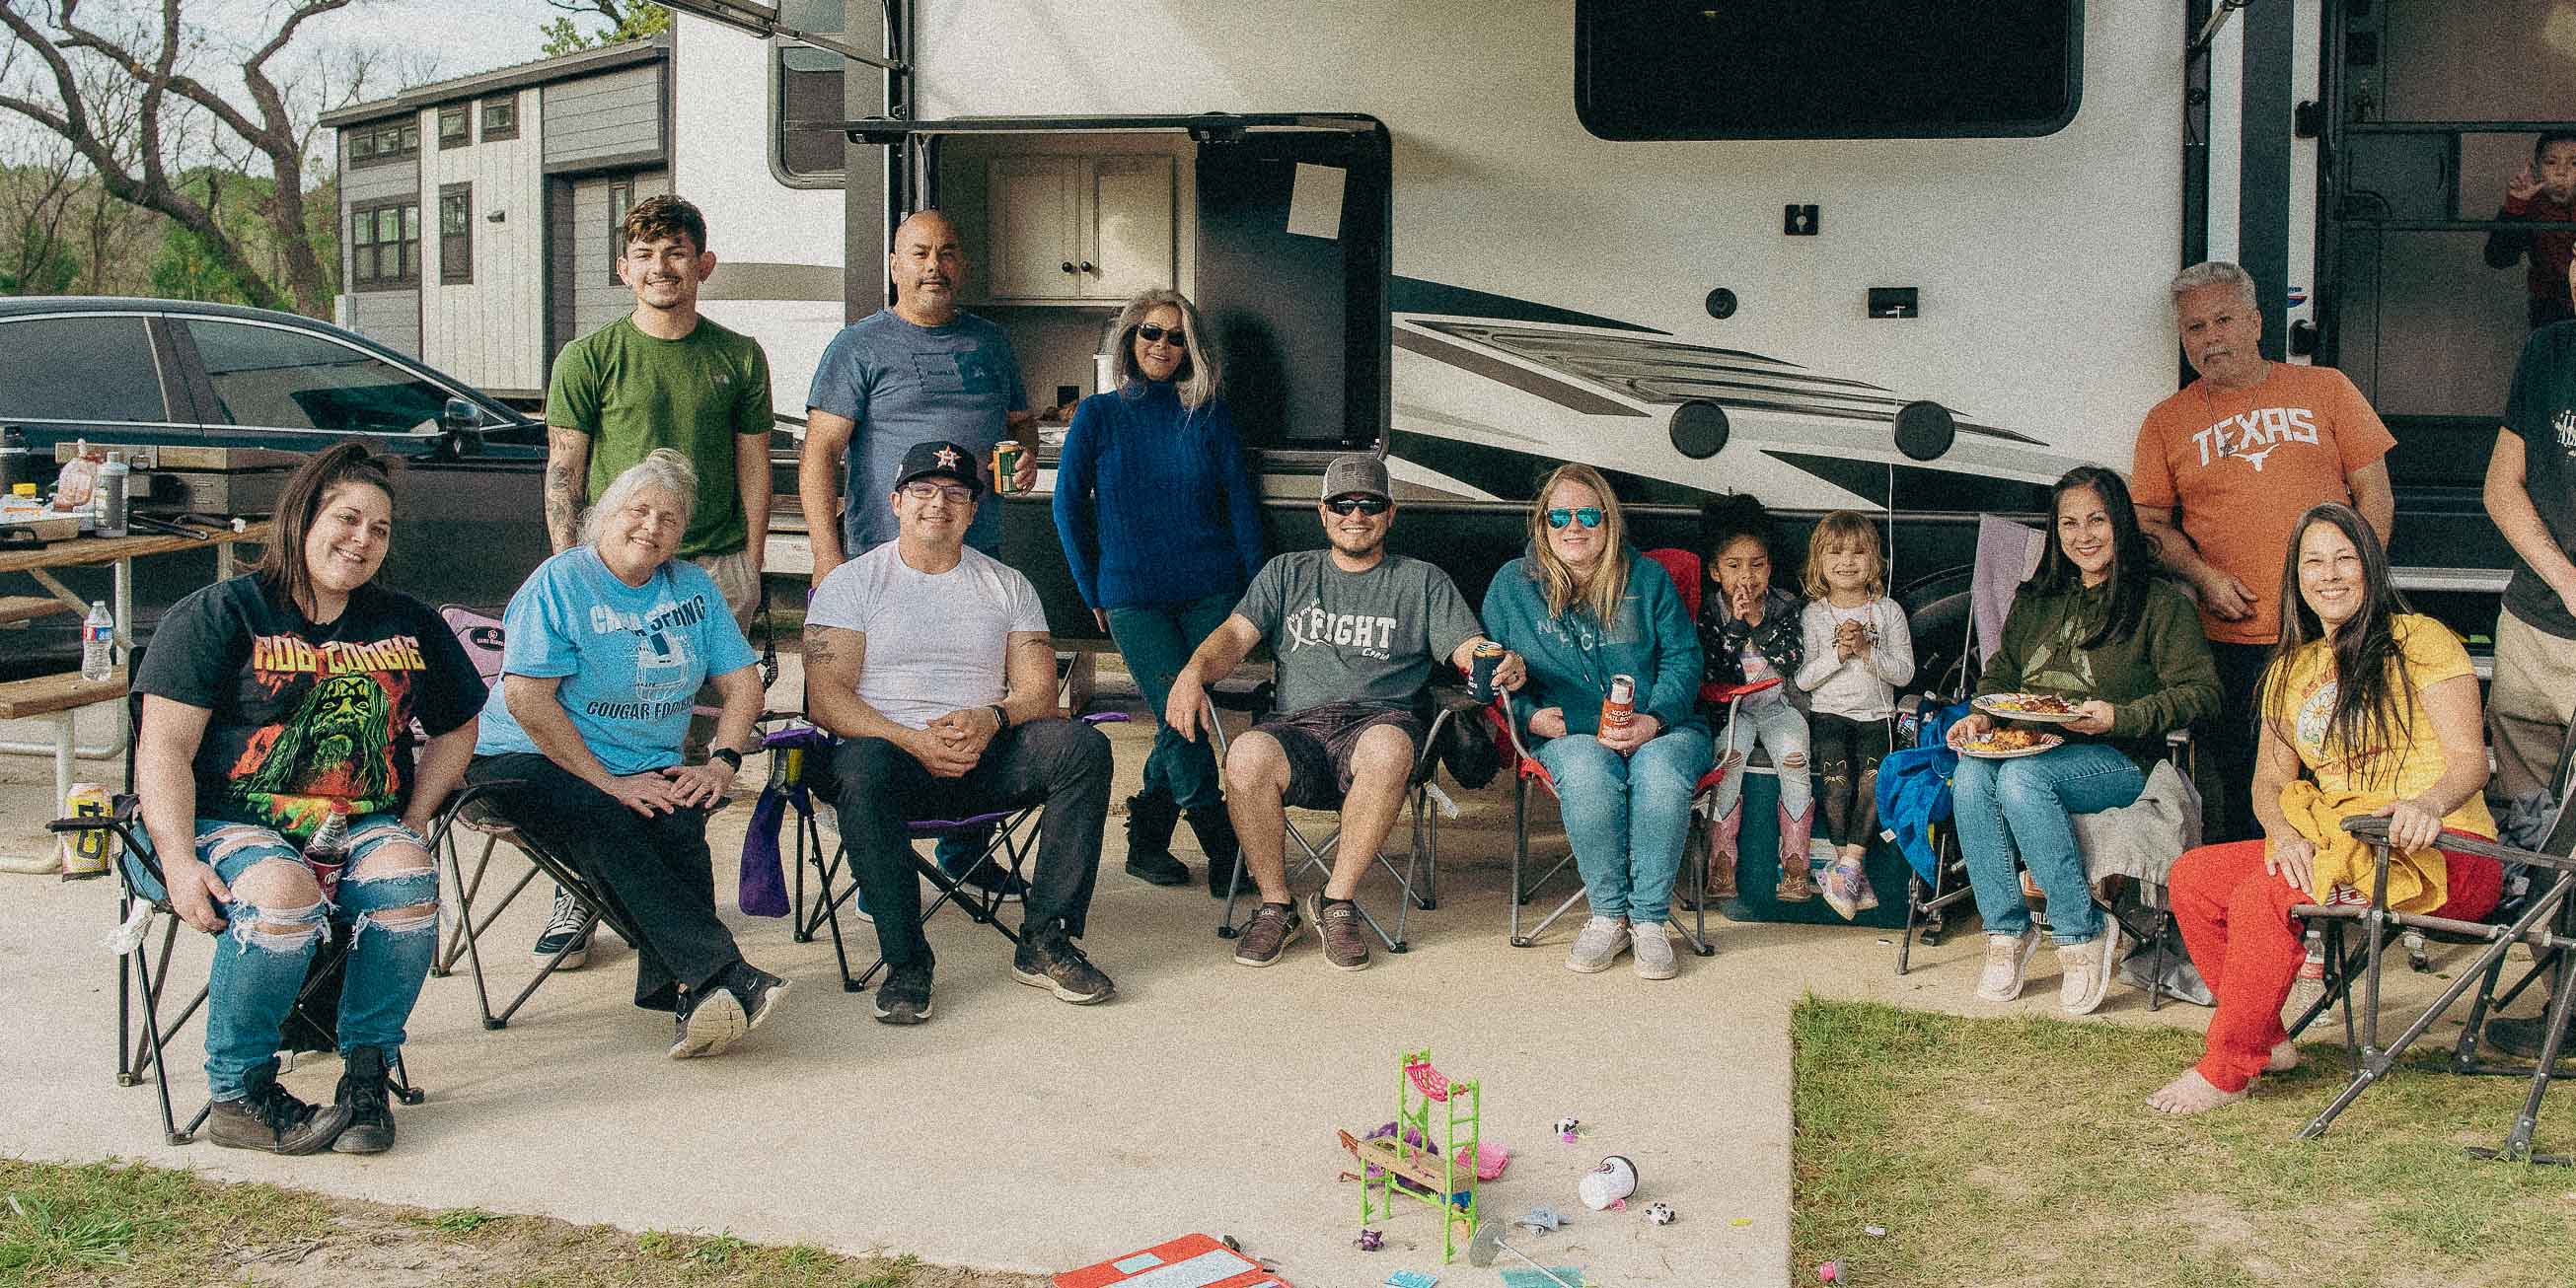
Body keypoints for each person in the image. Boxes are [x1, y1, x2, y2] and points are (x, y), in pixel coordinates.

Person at [132, 442, 484, 1155]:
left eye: (379, 530)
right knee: (284, 892)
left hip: (356, 821)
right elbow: (162, 748)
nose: (362, 541)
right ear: (301, 519)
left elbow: (459, 727)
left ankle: (363, 1079)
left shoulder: (405, 623)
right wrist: (175, 862)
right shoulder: (221, 613)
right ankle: (240, 1093)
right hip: (220, 822)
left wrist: (412, 819)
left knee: (407, 878)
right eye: (347, 519)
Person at [2149, 505, 2502, 1114]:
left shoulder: (2421, 640)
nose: (2329, 575)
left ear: (2370, 566)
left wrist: (2428, 804)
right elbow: (2268, 782)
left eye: (2345, 558)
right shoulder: (2292, 669)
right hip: (2344, 841)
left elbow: (2472, 759)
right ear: (2297, 577)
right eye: (2314, 561)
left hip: (2440, 851)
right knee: (2196, 877)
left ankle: (2227, 1066)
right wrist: (2283, 832)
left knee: (2268, 894)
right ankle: (2271, 1039)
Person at [466, 450, 785, 1060]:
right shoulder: (561, 582)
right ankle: (721, 973)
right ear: (600, 517)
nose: (652, 527)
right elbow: (529, 702)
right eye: (638, 511)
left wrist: (721, 762)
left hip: (637, 764)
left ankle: (684, 991)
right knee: (603, 813)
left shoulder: (691, 587)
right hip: (520, 756)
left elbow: (744, 684)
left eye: (669, 518)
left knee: (682, 813)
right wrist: (606, 783)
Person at [535, 193, 775, 969]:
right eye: (643, 254)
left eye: (675, 252)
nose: (659, 267)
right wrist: (570, 567)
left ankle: (670, 895)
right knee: (599, 730)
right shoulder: (588, 356)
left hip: (710, 567)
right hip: (614, 567)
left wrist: (753, 561)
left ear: (701, 263)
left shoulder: (738, 355)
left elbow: (751, 465)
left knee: (695, 744)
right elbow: (565, 470)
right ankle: (578, 891)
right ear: (622, 269)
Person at [1164, 454, 1520, 971]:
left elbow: (1467, 647)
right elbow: (1235, 637)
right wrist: (1194, 671)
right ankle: (1276, 905)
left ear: (1390, 514)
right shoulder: (1286, 572)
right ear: (1323, 512)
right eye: (1342, 504)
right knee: (1245, 754)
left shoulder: (1422, 581)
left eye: (1370, 504)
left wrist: (1500, 661)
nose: (1356, 515)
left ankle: (1336, 902)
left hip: (1382, 722)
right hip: (1298, 728)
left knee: (1389, 747)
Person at [804, 440, 1117, 1026]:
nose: (937, 504)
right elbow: (826, 699)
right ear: (895, 501)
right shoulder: (851, 584)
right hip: (892, 762)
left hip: (988, 755)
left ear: (974, 510)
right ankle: (906, 963)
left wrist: (991, 718)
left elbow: (1038, 692)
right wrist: (911, 739)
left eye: (955, 493)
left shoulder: (1007, 584)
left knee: (1082, 748)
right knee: (859, 767)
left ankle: (1046, 941)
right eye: (922, 490)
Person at [801, 209, 1038, 890]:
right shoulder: (859, 346)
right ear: (895, 265)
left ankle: (966, 850)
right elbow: (819, 452)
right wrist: (826, 557)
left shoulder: (991, 343)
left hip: (977, 556)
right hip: (882, 559)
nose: (933, 266)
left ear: (960, 264)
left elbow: (1018, 427)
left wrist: (1021, 460)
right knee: (884, 708)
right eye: (919, 253)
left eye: (946, 252)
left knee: (971, 694)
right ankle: (886, 864)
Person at [2133, 260, 2397, 844]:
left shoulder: (2324, 388)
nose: (2210, 338)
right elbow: (2149, 525)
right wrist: (2201, 575)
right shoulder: (2166, 421)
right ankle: (2262, 905)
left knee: (2353, 774)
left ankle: (2340, 901)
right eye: (2195, 328)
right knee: (2251, 787)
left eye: (2223, 320)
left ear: (2255, 322)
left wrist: (2360, 589)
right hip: (2236, 641)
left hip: (2335, 632)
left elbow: (2374, 493)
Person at [1947, 467, 2219, 1014]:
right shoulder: (2039, 599)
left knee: (2022, 779)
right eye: (2069, 523)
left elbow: (2203, 693)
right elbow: (2001, 677)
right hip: (2036, 747)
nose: (2084, 535)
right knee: (1973, 774)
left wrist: (2120, 715)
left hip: (2120, 758)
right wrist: (1980, 714)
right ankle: (2006, 931)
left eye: (2097, 519)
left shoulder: (2160, 605)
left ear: (2119, 523)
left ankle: (2081, 932)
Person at [1052, 289, 1263, 894]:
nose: (1161, 346)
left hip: (1212, 591)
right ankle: (1219, 837)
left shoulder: (1211, 414)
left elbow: (1241, 507)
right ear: (1128, 339)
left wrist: (1256, 594)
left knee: (1181, 712)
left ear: (1191, 348)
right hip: (1132, 594)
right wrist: (1091, 585)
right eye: (1149, 333)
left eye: (1175, 336)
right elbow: (1068, 509)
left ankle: (1146, 839)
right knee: (1186, 709)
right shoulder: (1097, 414)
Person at [1480, 465, 1709, 978]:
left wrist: (1654, 720)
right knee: (1585, 771)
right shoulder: (1512, 588)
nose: (1573, 527)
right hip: (1569, 730)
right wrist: (1528, 716)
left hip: (1662, 724)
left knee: (1660, 771)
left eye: (1588, 514)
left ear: (1610, 522)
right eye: (1558, 516)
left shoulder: (1647, 579)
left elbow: (1683, 659)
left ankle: (1649, 922)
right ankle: (1607, 916)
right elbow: (1490, 674)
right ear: (1541, 524)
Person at [2478, 261, 2576, 1061]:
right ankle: (2558, 1004)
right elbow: (2501, 488)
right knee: (2533, 824)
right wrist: (2566, 579)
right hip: (2532, 624)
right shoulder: (2548, 352)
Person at [1795, 511, 1914, 920]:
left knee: (1874, 782)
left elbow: (1905, 672)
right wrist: (1839, 654)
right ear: (1819, 563)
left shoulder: (1888, 612)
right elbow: (1805, 678)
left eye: (1858, 552)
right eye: (1835, 553)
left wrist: (1866, 650)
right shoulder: (1814, 614)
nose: (1847, 561)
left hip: (1878, 713)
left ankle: (1848, 867)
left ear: (1874, 560)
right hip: (1829, 713)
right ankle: (1849, 870)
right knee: (1837, 783)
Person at [1697, 495, 1814, 902]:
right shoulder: (1709, 612)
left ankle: (1796, 861)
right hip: (1731, 709)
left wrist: (1758, 624)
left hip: (1777, 706)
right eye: (1733, 566)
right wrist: (1733, 625)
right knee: (1729, 761)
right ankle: (1722, 857)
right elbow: (1711, 667)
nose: (1746, 576)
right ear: (1715, 571)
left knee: (1795, 759)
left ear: (1770, 567)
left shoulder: (1784, 606)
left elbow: (1791, 659)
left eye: (1757, 565)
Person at [2483, 132, 2576, 331]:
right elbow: (2498, 258)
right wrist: (2516, 205)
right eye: (2551, 163)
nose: (2561, 172)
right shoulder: (2531, 208)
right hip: (2552, 311)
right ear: (2536, 170)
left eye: (2574, 164)